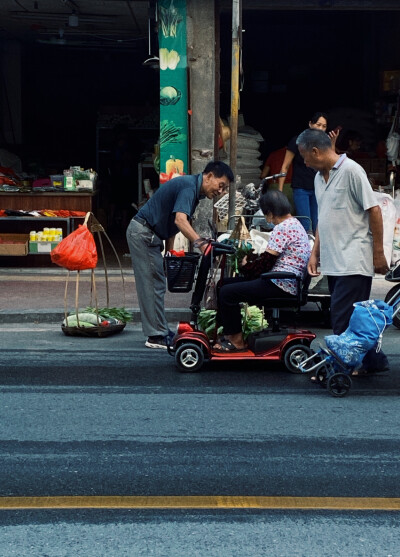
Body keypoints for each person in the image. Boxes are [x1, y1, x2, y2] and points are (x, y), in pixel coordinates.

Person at [296, 128, 390, 375]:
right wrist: (315, 253)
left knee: (341, 315)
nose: (304, 163)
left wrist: (378, 253)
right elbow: (323, 219)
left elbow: (374, 210)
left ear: (316, 151)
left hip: (353, 257)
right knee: (357, 315)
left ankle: (339, 368)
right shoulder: (319, 178)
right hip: (333, 259)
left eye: (305, 157)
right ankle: (374, 361)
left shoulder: (351, 171)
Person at [126, 161, 234, 349]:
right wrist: (201, 244)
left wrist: (169, 252)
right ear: (208, 176)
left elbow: (173, 222)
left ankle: (159, 330)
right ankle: (155, 336)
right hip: (143, 233)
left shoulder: (193, 190)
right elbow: (180, 220)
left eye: (225, 189)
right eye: (221, 185)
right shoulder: (188, 187)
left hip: (150, 235)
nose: (221, 191)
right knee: (152, 285)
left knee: (157, 283)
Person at [215, 190, 311, 352]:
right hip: (285, 280)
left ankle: (236, 340)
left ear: (270, 214)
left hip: (279, 283)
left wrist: (245, 266)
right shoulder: (295, 223)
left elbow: (265, 264)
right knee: (224, 283)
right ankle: (227, 333)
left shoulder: (282, 228)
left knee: (227, 292)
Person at [277, 112, 339, 234]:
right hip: (301, 187)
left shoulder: (325, 143)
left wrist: (333, 143)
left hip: (319, 188)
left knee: (318, 222)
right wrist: (280, 191)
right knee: (305, 223)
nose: (321, 129)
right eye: (318, 124)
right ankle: (306, 250)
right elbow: (285, 166)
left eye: (324, 126)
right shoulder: (297, 141)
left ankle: (316, 252)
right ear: (310, 124)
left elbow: (332, 163)